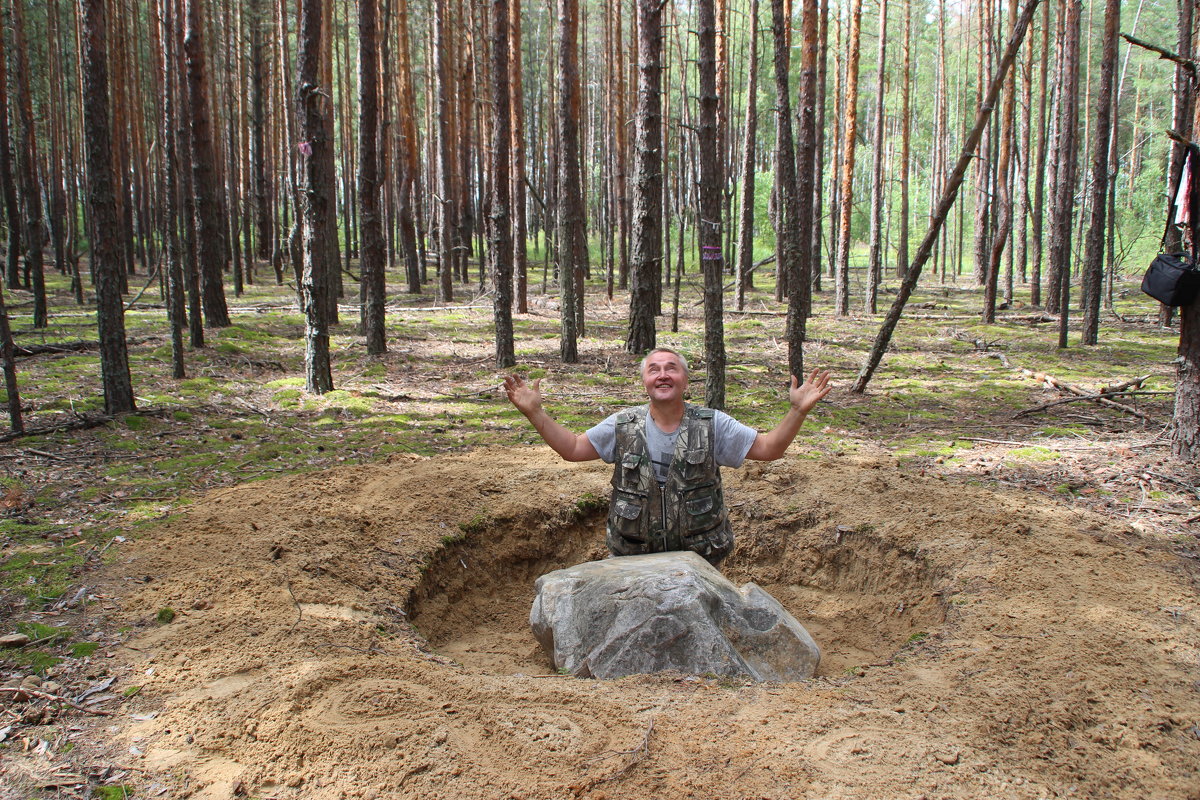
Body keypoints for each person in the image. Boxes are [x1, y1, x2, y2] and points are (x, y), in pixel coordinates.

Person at [504, 348, 833, 566]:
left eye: (671, 369)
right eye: (654, 370)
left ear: (685, 381)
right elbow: (573, 449)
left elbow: (769, 448)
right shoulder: (622, 425)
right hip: (632, 558)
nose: (663, 375)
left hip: (699, 562)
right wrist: (535, 413)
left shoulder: (712, 424)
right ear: (645, 382)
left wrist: (796, 411)